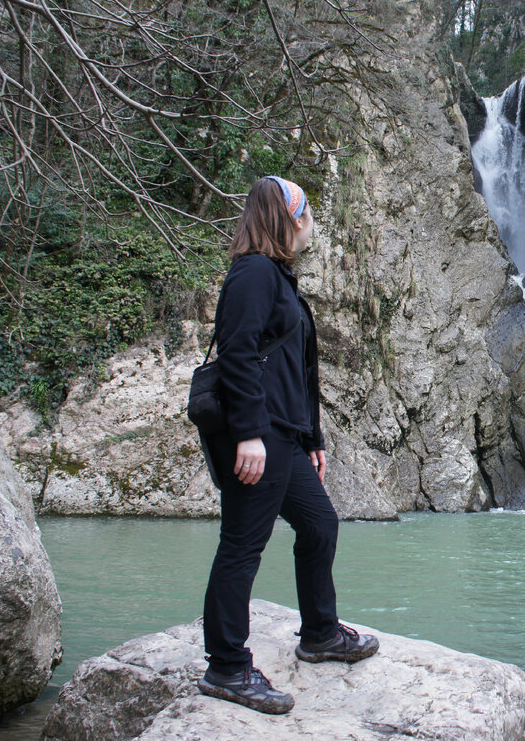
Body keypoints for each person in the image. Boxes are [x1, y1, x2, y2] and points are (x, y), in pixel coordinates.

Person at [197, 176, 378, 715]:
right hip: (258, 436)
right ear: (289, 217)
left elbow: (296, 370)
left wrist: (312, 436)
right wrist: (249, 433)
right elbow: (237, 353)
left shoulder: (276, 276)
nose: (313, 222)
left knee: (320, 523)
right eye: (307, 212)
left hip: (284, 435)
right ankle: (226, 666)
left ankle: (319, 634)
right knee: (241, 546)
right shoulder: (254, 273)